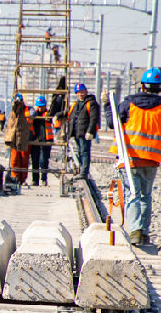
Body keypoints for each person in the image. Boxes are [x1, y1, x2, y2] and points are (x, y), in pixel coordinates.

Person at [103, 67, 161, 245]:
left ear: (142, 86)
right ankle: (143, 232)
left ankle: (135, 230)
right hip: (151, 159)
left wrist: (106, 105)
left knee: (132, 195)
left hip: (129, 159)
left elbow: (113, 122)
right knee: (146, 196)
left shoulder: (128, 104)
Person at [67, 83, 100, 180]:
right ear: (76, 93)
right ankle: (82, 169)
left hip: (85, 133)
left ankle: (84, 172)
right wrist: (59, 115)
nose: (81, 94)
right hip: (77, 132)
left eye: (82, 92)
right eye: (79, 92)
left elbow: (94, 118)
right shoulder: (76, 104)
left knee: (85, 151)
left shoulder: (91, 103)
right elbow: (70, 114)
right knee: (80, 151)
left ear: (86, 91)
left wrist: (90, 131)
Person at [30, 96, 52, 186]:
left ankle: (43, 179)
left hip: (46, 140)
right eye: (38, 106)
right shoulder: (34, 114)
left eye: (41, 106)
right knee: (34, 161)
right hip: (35, 140)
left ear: (45, 105)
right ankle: (35, 180)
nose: (40, 108)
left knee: (43, 161)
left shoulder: (48, 114)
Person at [9, 94, 31, 184]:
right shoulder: (13, 112)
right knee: (14, 159)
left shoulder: (28, 110)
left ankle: (22, 179)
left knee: (24, 159)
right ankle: (14, 178)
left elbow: (32, 117)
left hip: (25, 138)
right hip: (15, 139)